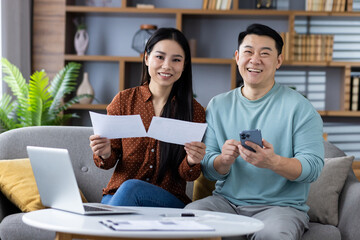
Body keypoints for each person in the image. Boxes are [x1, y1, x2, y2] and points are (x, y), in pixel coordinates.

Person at [185, 23, 324, 240]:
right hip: (226, 204)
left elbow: (313, 168)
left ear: (278, 61)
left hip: (280, 208)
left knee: (274, 234)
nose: (255, 59)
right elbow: (209, 169)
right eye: (248, 52)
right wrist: (223, 160)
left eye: (265, 54)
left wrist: (274, 162)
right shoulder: (218, 105)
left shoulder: (300, 108)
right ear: (237, 56)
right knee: (188, 219)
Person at [89, 28, 206, 208]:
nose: (167, 66)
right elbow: (107, 163)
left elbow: (188, 175)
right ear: (146, 58)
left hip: (166, 201)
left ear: (184, 64)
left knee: (131, 188)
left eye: (176, 60)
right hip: (118, 196)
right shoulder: (123, 101)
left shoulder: (194, 111)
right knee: (128, 190)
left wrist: (192, 160)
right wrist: (104, 152)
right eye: (160, 57)